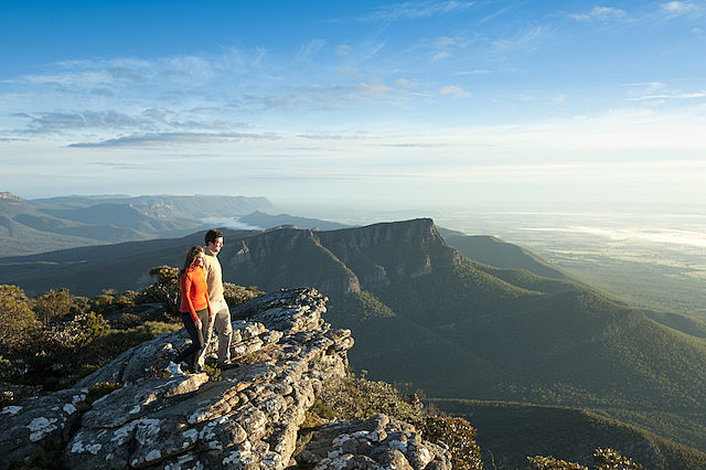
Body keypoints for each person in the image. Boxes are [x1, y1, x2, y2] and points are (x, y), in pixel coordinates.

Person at [167, 245, 213, 376]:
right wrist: (195, 318)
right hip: (190, 312)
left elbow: (204, 292)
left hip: (203, 309)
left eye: (202, 258)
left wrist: (209, 311)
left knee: (200, 342)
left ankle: (193, 369)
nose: (201, 261)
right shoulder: (186, 274)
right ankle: (174, 363)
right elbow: (186, 296)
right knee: (198, 344)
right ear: (192, 258)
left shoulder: (200, 270)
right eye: (199, 258)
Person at [201, 229, 233, 367]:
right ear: (210, 243)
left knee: (227, 331)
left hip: (221, 301)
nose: (221, 246)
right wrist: (207, 306)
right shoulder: (204, 260)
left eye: (221, 243)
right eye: (219, 243)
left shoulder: (214, 256)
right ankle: (197, 365)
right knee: (206, 337)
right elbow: (200, 285)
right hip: (210, 303)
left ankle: (224, 361)